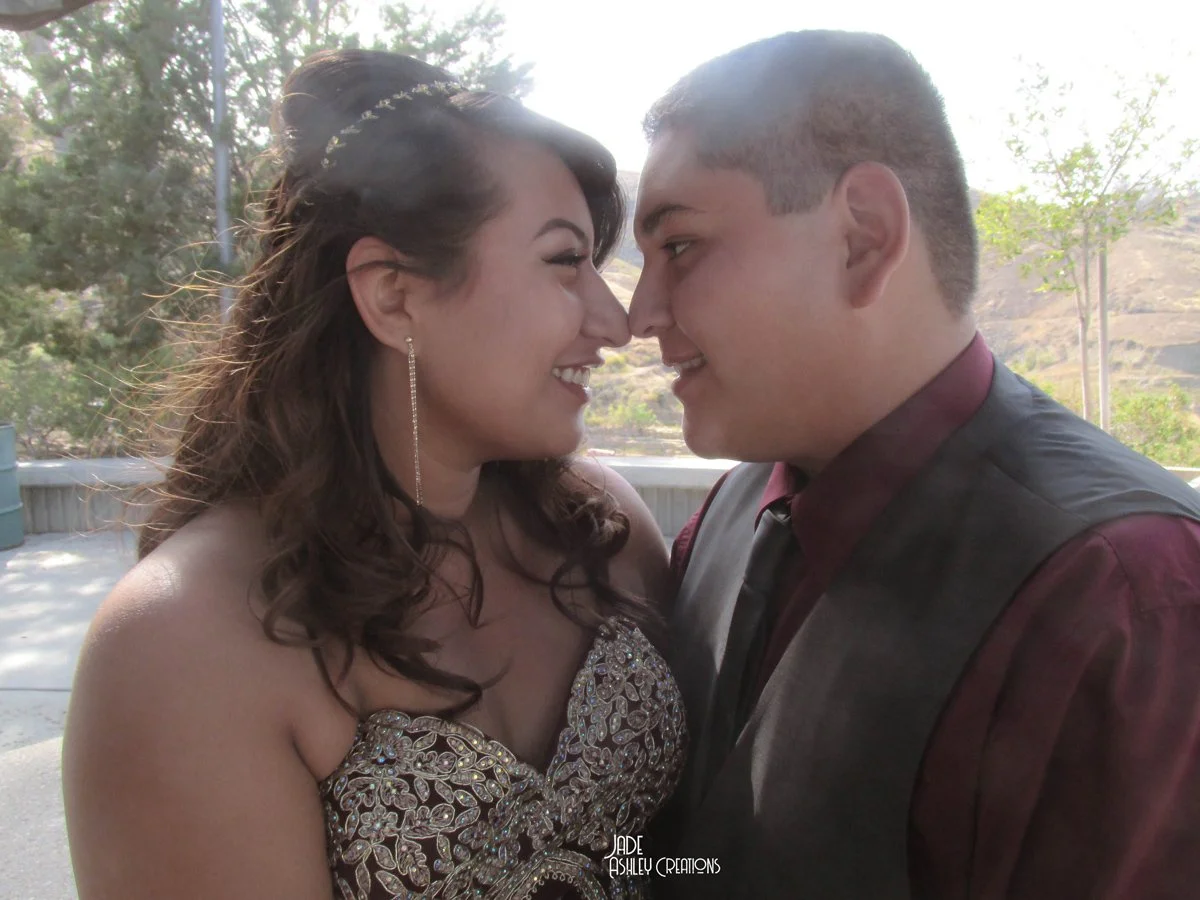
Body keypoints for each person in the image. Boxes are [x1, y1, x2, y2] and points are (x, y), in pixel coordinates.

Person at [62, 49, 686, 900]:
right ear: (393, 297)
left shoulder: (602, 529)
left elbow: (670, 855)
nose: (615, 323)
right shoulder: (186, 642)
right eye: (563, 260)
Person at [628, 30, 1200, 900]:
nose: (639, 313)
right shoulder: (728, 515)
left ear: (863, 237)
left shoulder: (1121, 594)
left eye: (678, 247)